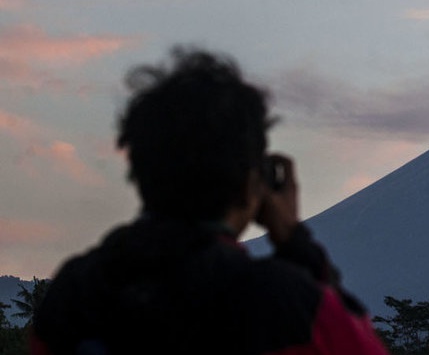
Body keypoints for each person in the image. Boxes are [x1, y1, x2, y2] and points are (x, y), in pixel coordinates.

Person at [31, 48, 389, 355]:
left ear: (141, 171)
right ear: (253, 182)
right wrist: (297, 245)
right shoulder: (287, 306)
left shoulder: (76, 295)